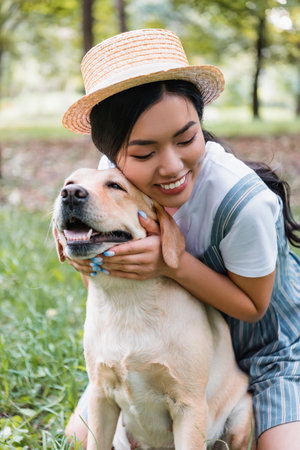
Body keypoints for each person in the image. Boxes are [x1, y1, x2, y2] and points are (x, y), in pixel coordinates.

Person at [61, 29, 300, 449]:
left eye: (188, 139)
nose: (171, 166)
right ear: (114, 153)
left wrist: (169, 262)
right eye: (143, 152)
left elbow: (253, 307)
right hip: (171, 337)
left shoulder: (243, 202)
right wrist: (92, 253)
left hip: (265, 346)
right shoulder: (111, 181)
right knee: (77, 436)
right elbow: (102, 283)